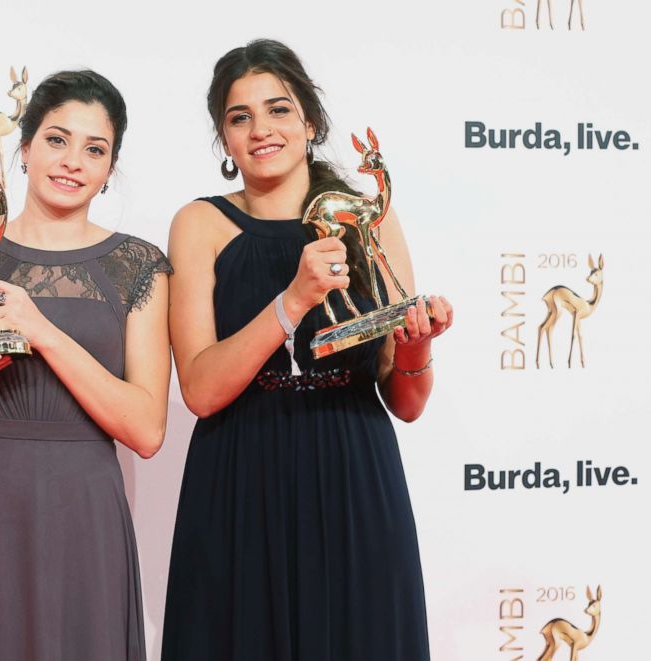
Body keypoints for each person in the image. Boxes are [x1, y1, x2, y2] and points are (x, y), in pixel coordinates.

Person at [161, 40, 452, 661]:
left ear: (310, 123)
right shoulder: (199, 224)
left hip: (354, 470)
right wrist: (292, 302)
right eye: (240, 118)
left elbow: (407, 402)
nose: (261, 129)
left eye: (279, 110)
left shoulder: (368, 221)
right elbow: (202, 390)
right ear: (225, 139)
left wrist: (415, 349)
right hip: (239, 477)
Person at [0, 69, 172, 661]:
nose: (73, 161)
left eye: (94, 149)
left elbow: (147, 431)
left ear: (110, 166)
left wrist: (40, 330)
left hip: (82, 509)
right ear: (23, 149)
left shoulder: (138, 265)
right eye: (56, 139)